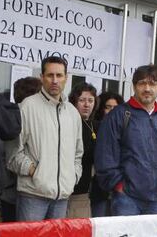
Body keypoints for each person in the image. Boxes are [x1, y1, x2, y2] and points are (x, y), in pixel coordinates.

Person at [6, 56, 83, 221]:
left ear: (66, 77)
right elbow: (13, 153)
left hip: (62, 197)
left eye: (59, 75)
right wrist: (36, 172)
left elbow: (78, 153)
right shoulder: (27, 106)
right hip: (32, 196)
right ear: (42, 77)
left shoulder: (73, 113)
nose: (55, 80)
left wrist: (72, 176)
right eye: (50, 75)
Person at [95, 65, 157, 216]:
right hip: (127, 199)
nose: (147, 88)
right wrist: (118, 185)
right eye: (142, 83)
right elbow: (105, 155)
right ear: (134, 86)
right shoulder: (118, 115)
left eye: (152, 84)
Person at [0, 77, 41, 222]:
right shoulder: (15, 119)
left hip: (12, 193)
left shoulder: (9, 118)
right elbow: (8, 157)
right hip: (17, 193)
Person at [67, 82, 98, 218]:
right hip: (70, 190)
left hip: (86, 191)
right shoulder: (69, 123)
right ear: (74, 102)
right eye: (82, 100)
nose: (87, 105)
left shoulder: (95, 124)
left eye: (90, 100)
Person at [91, 91, 124, 217]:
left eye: (115, 108)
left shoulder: (125, 129)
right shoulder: (95, 127)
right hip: (99, 188)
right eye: (108, 107)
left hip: (120, 187)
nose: (112, 111)